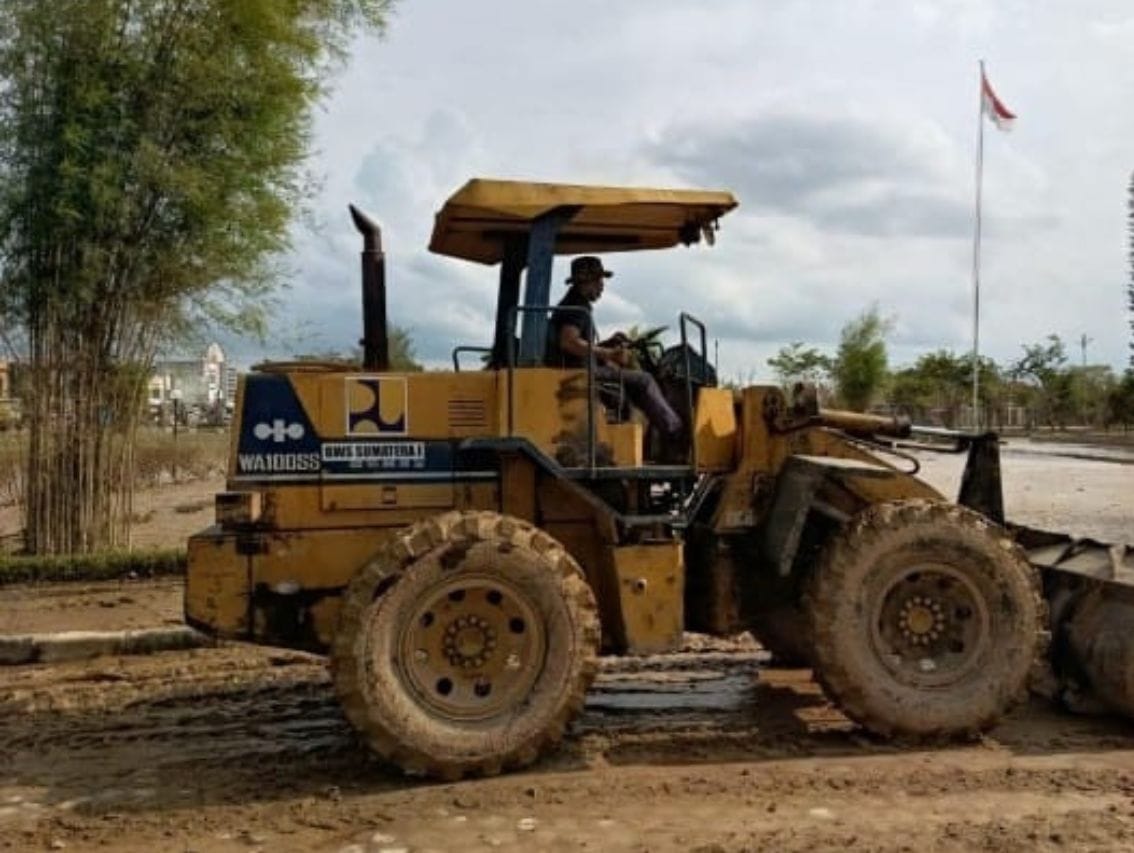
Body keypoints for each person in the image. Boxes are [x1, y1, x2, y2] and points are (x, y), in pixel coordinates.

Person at [546, 256, 684, 444]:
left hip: (579, 369)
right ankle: (677, 434)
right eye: (599, 281)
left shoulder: (573, 304)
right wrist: (609, 354)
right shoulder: (576, 307)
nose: (602, 286)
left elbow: (577, 345)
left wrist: (608, 343)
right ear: (585, 282)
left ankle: (644, 434)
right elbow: (569, 342)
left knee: (628, 379)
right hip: (581, 374)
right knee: (645, 381)